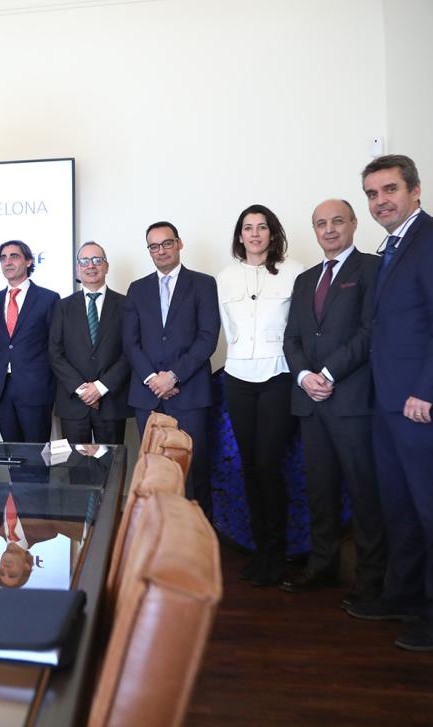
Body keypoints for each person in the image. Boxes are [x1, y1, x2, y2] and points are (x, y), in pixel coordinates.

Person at [345, 155, 433, 652]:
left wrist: (426, 392)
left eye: (390, 190)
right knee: (398, 506)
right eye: (373, 194)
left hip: (425, 401)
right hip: (389, 400)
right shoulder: (391, 247)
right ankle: (403, 595)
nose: (381, 201)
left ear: (415, 191)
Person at [281, 200, 386, 600]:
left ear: (354, 224)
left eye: (337, 221)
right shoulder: (306, 279)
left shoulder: (372, 270)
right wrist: (305, 375)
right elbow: (292, 337)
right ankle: (322, 566)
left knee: (364, 492)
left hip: (352, 401)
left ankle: (372, 579)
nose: (329, 229)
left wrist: (327, 373)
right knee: (320, 491)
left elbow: (369, 331)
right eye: (321, 223)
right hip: (311, 402)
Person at [218, 204, 303, 586]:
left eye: (262, 227)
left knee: (269, 466)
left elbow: (299, 327)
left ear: (272, 234)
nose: (254, 234)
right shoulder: (224, 278)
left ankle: (277, 552)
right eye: (248, 228)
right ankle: (260, 551)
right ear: (239, 235)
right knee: (249, 467)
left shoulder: (294, 272)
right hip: (238, 377)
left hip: (277, 376)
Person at [123, 223, 220, 517]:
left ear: (179, 244)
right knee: (155, 471)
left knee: (193, 471)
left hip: (190, 394)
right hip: (148, 396)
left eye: (166, 243)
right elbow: (130, 342)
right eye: (154, 246)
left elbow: (207, 338)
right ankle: (157, 535)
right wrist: (154, 380)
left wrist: (173, 376)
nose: (161, 251)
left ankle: (195, 539)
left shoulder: (203, 284)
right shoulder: (137, 289)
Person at [49, 242, 131, 445]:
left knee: (111, 466)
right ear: (78, 268)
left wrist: (101, 387)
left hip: (111, 401)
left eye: (97, 260)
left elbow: (130, 351)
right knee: (75, 467)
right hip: (73, 403)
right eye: (84, 261)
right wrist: (82, 389)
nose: (91, 266)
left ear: (106, 266)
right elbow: (54, 352)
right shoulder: (63, 306)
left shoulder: (126, 304)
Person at [0, 240, 59, 442]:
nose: (7, 262)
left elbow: (55, 345)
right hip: (2, 389)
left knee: (36, 456)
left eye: (14, 256)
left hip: (35, 388)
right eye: (3, 258)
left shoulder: (48, 298)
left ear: (28, 261)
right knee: (12, 456)